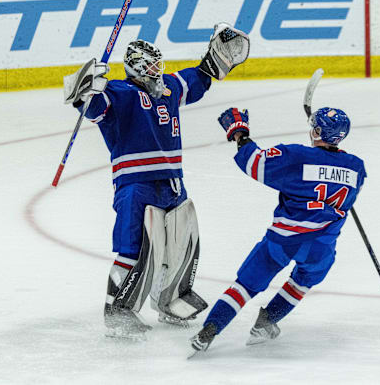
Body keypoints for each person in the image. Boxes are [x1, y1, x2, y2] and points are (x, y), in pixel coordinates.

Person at [62, 24, 250, 338]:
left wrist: (215, 56)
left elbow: (200, 77)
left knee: (182, 242)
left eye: (157, 65)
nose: (156, 71)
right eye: (149, 66)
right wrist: (88, 86)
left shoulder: (169, 88)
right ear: (134, 67)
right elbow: (87, 106)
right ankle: (118, 311)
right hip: (136, 185)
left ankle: (171, 300)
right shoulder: (117, 93)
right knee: (135, 249)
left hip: (173, 182)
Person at [189, 106, 367, 354]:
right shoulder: (357, 168)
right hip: (321, 248)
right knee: (302, 281)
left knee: (246, 286)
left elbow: (255, 164)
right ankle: (266, 323)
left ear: (317, 131)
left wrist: (240, 134)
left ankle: (208, 331)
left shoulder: (296, 156)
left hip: (284, 240)